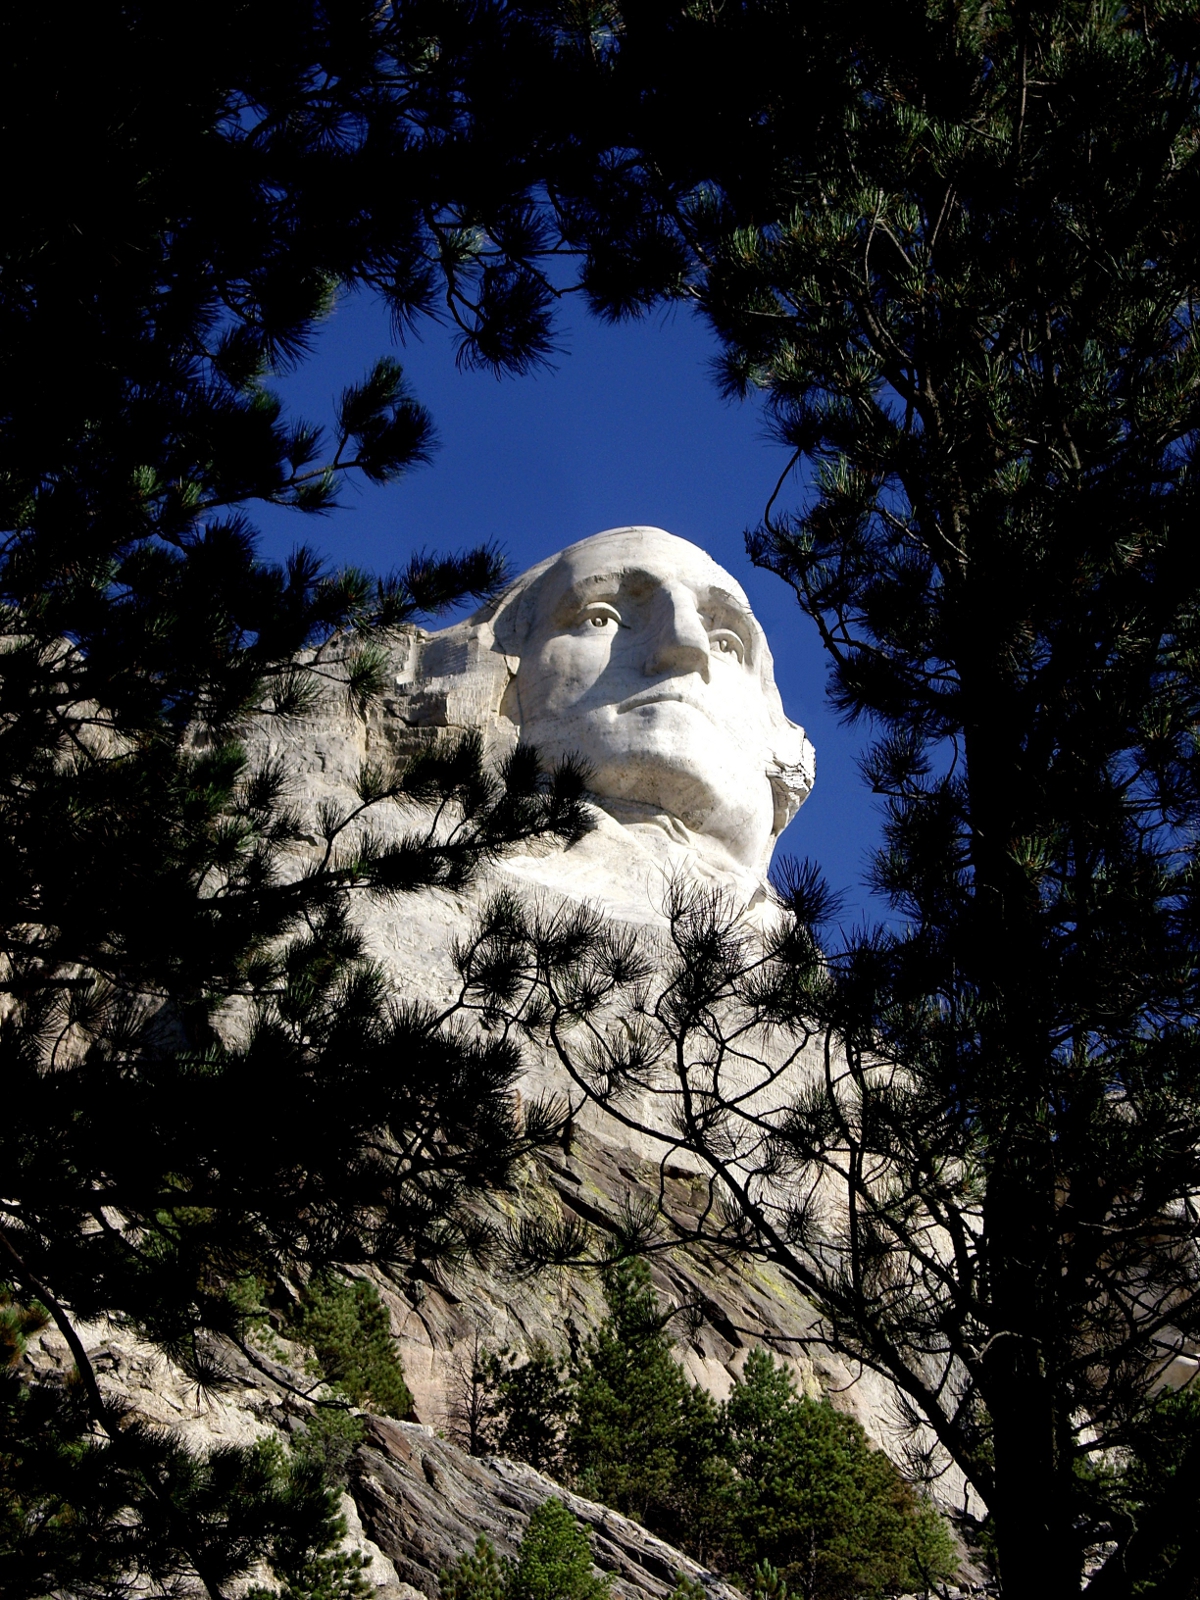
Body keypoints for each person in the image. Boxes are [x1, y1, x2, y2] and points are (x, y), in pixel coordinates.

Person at [396, 526, 814, 921]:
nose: (686, 645)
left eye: (727, 643)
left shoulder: (789, 976)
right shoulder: (392, 867)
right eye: (603, 618)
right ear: (497, 665)